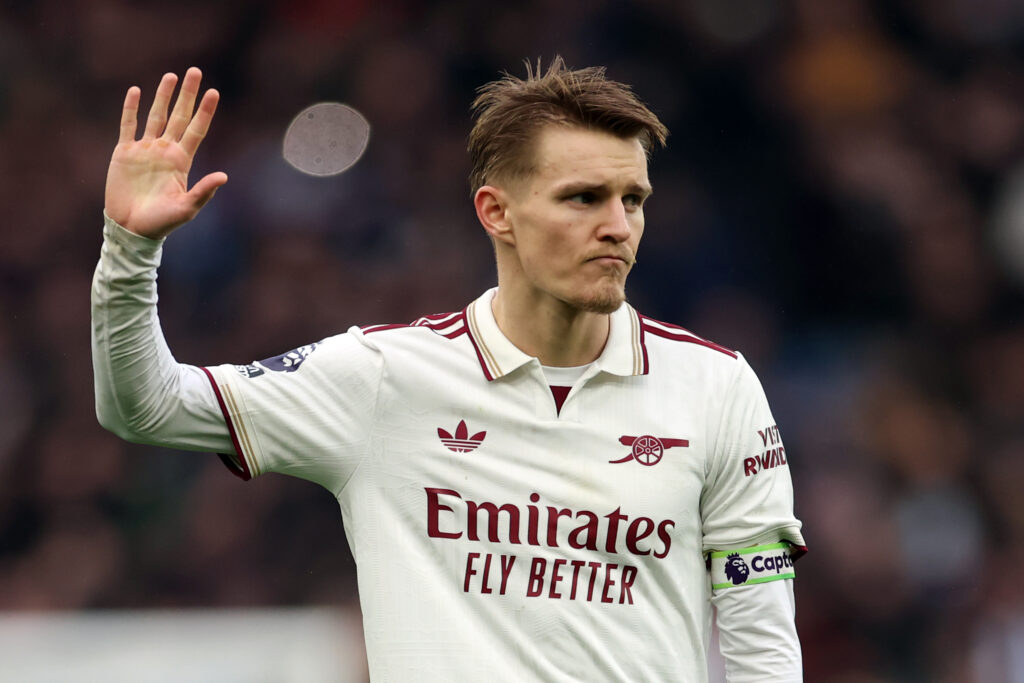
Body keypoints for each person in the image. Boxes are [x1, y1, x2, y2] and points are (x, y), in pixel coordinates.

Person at [93, 58, 806, 682]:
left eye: (634, 200)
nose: (618, 225)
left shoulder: (717, 386)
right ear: (497, 212)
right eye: (583, 197)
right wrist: (130, 252)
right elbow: (146, 406)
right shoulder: (382, 378)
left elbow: (762, 644)